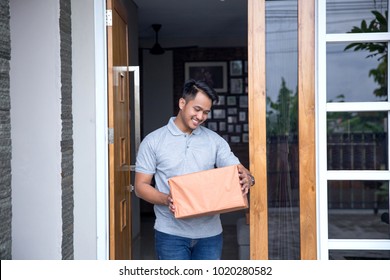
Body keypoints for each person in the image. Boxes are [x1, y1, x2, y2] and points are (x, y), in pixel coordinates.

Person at [134, 79, 255, 260]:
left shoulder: (214, 141)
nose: (201, 117)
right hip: (170, 234)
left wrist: (249, 178)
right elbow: (141, 186)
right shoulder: (153, 141)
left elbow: (239, 170)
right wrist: (167, 199)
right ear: (182, 103)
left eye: (206, 112)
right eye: (197, 109)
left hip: (210, 235)